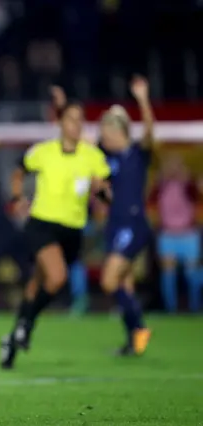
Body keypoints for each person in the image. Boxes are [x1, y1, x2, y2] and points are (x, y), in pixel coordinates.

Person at [0, 99, 111, 369]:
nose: (76, 124)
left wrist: (102, 191)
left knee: (39, 282)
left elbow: (106, 192)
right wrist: (18, 197)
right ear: (61, 123)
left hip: (73, 229)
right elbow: (19, 169)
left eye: (79, 119)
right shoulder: (44, 151)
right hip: (42, 223)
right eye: (71, 119)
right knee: (57, 276)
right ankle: (26, 324)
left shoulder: (92, 155)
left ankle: (14, 337)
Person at [96, 77, 155, 354]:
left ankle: (140, 327)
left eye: (107, 131)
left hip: (132, 224)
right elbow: (105, 193)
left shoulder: (136, 153)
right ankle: (134, 340)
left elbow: (149, 133)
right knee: (124, 283)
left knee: (109, 281)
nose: (104, 136)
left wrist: (142, 98)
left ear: (119, 131)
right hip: (115, 224)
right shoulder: (108, 160)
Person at [150, 155, 201, 313]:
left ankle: (195, 307)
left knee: (191, 274)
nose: (173, 170)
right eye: (170, 166)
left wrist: (188, 178)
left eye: (177, 166)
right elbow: (151, 202)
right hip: (168, 234)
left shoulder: (188, 186)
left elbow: (197, 197)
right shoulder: (161, 187)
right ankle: (170, 309)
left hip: (188, 234)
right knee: (168, 274)